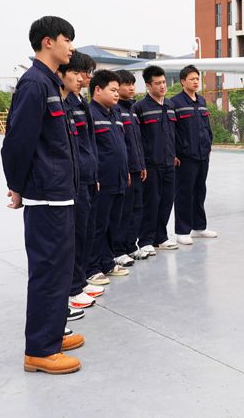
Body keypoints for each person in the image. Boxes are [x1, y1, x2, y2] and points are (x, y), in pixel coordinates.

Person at [1, 16, 84, 374]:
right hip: (46, 195)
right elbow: (17, 142)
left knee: (59, 270)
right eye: (68, 39)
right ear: (48, 41)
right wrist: (18, 186)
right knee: (48, 271)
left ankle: (52, 334)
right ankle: (39, 350)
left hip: (59, 193)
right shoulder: (34, 84)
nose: (72, 47)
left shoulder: (50, 83)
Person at [60, 51, 104, 312]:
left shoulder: (79, 101)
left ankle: (80, 281)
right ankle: (73, 287)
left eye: (85, 73)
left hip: (87, 175)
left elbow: (88, 144)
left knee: (85, 231)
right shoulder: (64, 102)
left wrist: (93, 174)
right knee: (74, 235)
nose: (84, 78)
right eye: (78, 73)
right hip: (73, 179)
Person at [86, 70, 131, 286]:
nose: (116, 94)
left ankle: (107, 262)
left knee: (114, 223)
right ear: (97, 89)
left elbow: (120, 147)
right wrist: (94, 176)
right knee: (98, 225)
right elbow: (89, 149)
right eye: (112, 90)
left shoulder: (114, 114)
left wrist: (126, 172)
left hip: (118, 178)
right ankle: (92, 267)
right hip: (102, 182)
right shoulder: (90, 114)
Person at [171, 65, 217, 245]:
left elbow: (206, 126)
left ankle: (199, 227)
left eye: (197, 79)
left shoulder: (202, 101)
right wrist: (175, 152)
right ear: (183, 81)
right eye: (192, 79)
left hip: (202, 154)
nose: (196, 82)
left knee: (200, 190)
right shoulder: (175, 103)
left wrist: (209, 144)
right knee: (184, 192)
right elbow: (172, 131)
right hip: (185, 156)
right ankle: (182, 231)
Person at [134, 65, 178, 253]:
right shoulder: (140, 108)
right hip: (151, 164)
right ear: (148, 86)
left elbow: (173, 133)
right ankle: (146, 240)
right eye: (157, 83)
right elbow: (137, 138)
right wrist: (141, 162)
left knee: (167, 201)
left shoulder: (170, 105)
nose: (162, 86)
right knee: (151, 203)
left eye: (164, 82)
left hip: (169, 163)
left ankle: (161, 237)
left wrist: (175, 154)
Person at [115, 69, 149, 260]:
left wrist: (142, 164)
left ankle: (131, 245)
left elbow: (138, 141)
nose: (131, 88)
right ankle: (119, 250)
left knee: (137, 209)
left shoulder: (132, 110)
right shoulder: (116, 111)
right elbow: (120, 145)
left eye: (132, 84)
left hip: (137, 169)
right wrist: (126, 169)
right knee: (124, 211)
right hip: (125, 170)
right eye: (126, 84)